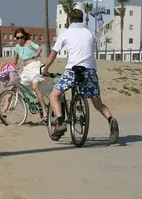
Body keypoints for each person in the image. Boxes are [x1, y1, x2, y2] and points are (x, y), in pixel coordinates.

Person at [42, 9, 119, 143]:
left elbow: (53, 54)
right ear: (82, 19)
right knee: (97, 102)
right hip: (89, 71)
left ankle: (60, 122)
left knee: (54, 95)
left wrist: (46, 68)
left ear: (69, 19)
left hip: (72, 70)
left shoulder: (65, 34)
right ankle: (111, 119)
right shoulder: (90, 33)